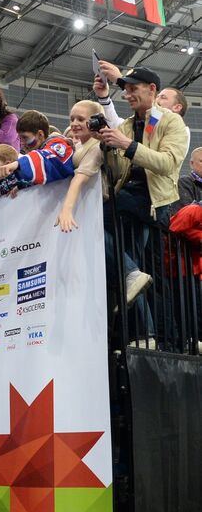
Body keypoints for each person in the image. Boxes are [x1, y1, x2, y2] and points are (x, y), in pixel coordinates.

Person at [96, 67, 187, 331]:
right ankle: (144, 334)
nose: (127, 94)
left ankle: (130, 274)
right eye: (125, 89)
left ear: (152, 89)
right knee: (132, 282)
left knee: (90, 221)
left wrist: (127, 145)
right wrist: (108, 149)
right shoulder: (126, 125)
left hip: (151, 202)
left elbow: (168, 164)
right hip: (128, 199)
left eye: (133, 88)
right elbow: (117, 173)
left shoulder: (171, 121)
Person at [94, 63, 191, 155]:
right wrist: (104, 98)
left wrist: (120, 80)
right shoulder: (152, 121)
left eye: (163, 97)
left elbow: (162, 162)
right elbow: (121, 130)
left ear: (177, 107)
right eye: (158, 96)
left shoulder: (181, 128)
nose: (156, 99)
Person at [55, 101, 105, 232]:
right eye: (72, 119)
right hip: (85, 210)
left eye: (81, 119)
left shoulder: (97, 147)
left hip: (100, 212)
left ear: (95, 122)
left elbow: (79, 178)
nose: (74, 123)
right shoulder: (76, 147)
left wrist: (66, 209)